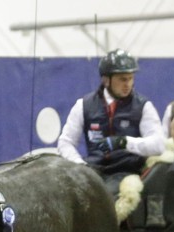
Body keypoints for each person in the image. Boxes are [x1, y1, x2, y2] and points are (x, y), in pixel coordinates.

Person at [58, 48, 165, 220]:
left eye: (131, 78)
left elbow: (159, 145)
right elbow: (65, 142)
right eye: (123, 79)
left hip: (126, 171)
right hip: (93, 171)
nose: (128, 84)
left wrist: (124, 142)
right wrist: (80, 165)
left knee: (102, 198)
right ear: (106, 80)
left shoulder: (143, 106)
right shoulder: (83, 105)